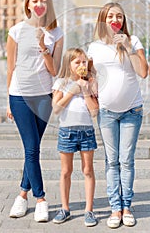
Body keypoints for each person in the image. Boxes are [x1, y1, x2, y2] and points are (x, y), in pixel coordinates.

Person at [87, 2, 148, 229]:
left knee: (126, 160)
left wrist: (128, 48)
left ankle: (127, 207)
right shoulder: (94, 47)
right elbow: (89, 76)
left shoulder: (133, 42)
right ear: (103, 19)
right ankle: (115, 207)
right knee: (111, 161)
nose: (116, 20)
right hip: (107, 113)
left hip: (133, 110)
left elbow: (143, 72)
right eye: (111, 16)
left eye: (120, 16)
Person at [6, 0, 63, 222]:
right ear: (28, 4)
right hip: (19, 95)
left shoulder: (56, 33)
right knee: (31, 148)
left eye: (44, 0)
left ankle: (21, 195)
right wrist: (7, 101)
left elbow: (55, 70)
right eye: (35, 0)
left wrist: (43, 45)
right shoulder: (16, 31)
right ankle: (40, 199)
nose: (39, 4)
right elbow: (10, 67)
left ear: (48, 5)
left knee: (33, 148)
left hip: (44, 97)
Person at [52, 48, 99, 227]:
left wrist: (85, 89)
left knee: (87, 170)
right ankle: (65, 208)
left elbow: (94, 112)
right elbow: (56, 109)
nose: (81, 65)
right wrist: (72, 91)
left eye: (84, 62)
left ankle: (89, 210)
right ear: (69, 64)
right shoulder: (61, 83)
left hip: (86, 131)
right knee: (66, 171)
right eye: (77, 62)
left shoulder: (91, 83)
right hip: (67, 131)